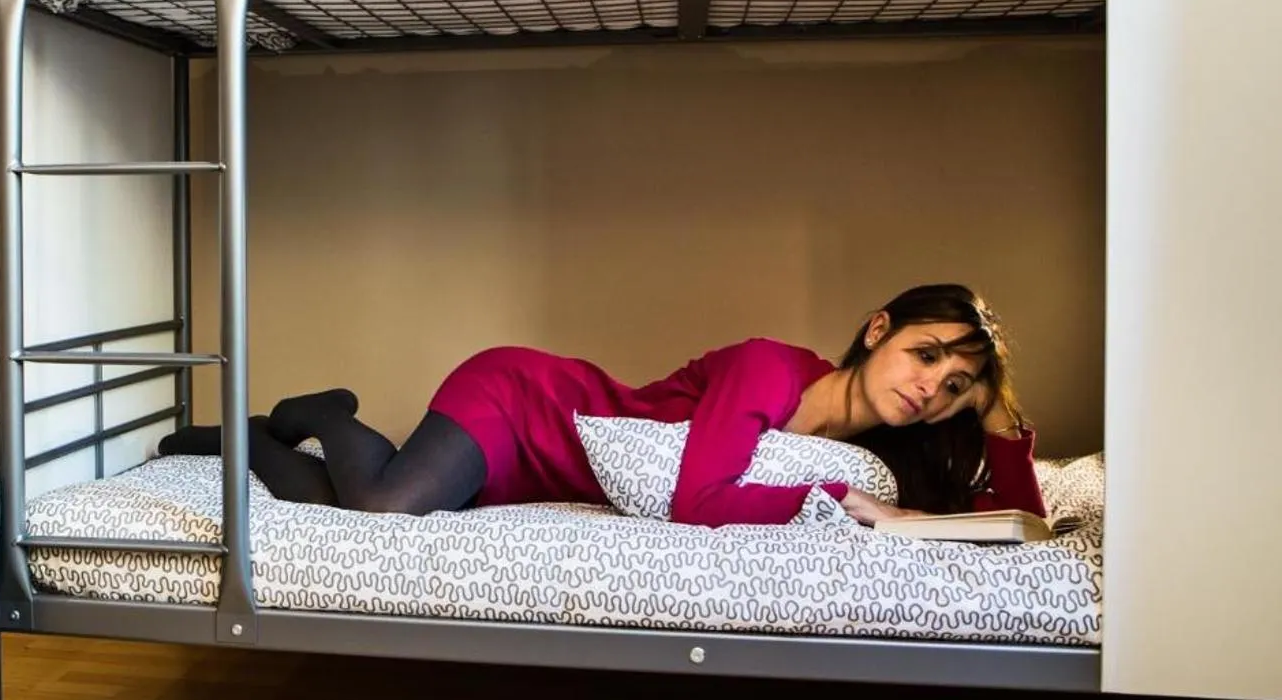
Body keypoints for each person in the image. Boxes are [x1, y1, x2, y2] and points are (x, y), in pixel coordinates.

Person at [155, 283, 1044, 528]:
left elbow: (985, 506)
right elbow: (698, 500)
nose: (932, 384)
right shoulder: (771, 372)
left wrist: (991, 418)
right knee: (384, 506)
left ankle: (225, 439)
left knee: (330, 501)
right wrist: (835, 501)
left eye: (954, 386)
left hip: (535, 468)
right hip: (524, 404)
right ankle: (324, 410)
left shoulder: (884, 453)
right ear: (878, 328)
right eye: (926, 354)